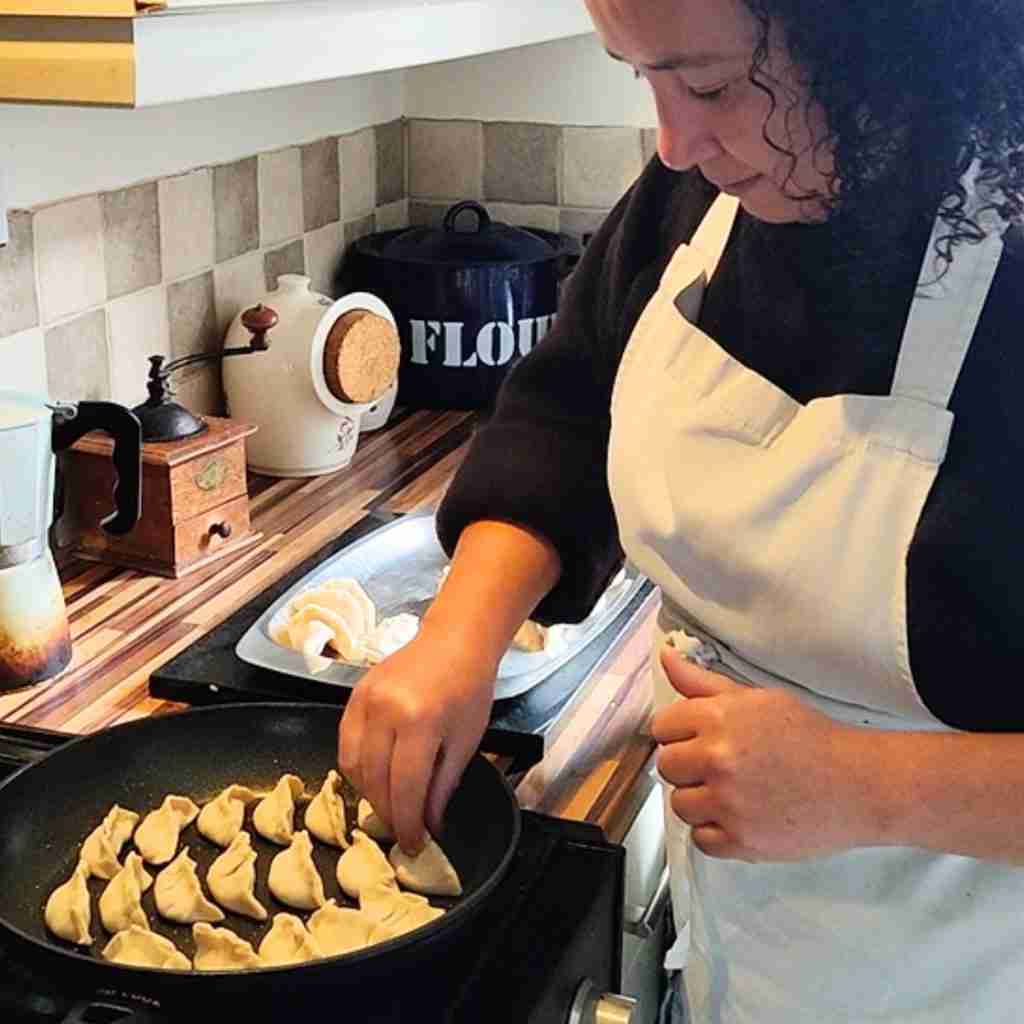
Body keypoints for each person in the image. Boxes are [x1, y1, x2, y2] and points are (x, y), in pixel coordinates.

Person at [340, 0, 1024, 1019]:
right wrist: (458, 638)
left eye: (708, 84)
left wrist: (867, 782)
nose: (672, 142)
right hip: (747, 943)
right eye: (640, 77)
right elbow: (572, 408)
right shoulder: (700, 194)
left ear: (878, 38)